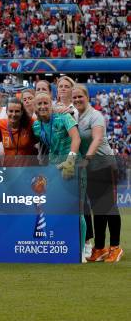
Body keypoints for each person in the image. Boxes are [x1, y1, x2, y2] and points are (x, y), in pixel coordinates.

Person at [72, 85, 123, 263]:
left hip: (104, 164)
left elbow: (98, 138)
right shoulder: (76, 116)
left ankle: (115, 247)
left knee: (108, 206)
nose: (77, 100)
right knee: (97, 208)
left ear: (88, 97)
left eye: (80, 97)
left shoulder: (95, 115)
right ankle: (100, 248)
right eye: (75, 97)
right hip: (90, 168)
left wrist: (86, 158)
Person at [32, 92, 84, 260]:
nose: (42, 106)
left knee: (77, 210)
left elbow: (76, 138)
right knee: (56, 208)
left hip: (73, 167)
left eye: (45, 103)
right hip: (53, 169)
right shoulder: (37, 126)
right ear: (35, 107)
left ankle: (80, 251)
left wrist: (70, 160)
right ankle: (63, 245)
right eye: (39, 104)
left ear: (51, 104)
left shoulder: (64, 117)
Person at [0, 97, 38, 166]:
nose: (13, 114)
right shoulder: (0, 124)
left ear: (22, 112)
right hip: (9, 171)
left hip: (28, 171)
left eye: (17, 111)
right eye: (11, 111)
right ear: (6, 111)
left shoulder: (30, 123)